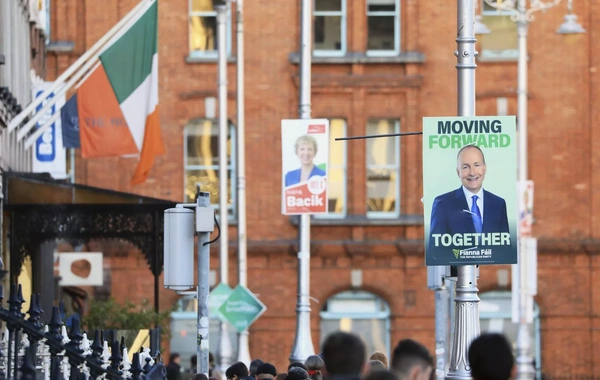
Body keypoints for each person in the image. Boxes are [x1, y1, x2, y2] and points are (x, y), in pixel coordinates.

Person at [428, 145, 509, 252]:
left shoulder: (498, 204)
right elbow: (435, 251)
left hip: (489, 268)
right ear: (458, 172)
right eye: (465, 167)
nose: (472, 172)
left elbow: (505, 249)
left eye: (477, 165)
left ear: (485, 168)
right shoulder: (442, 204)